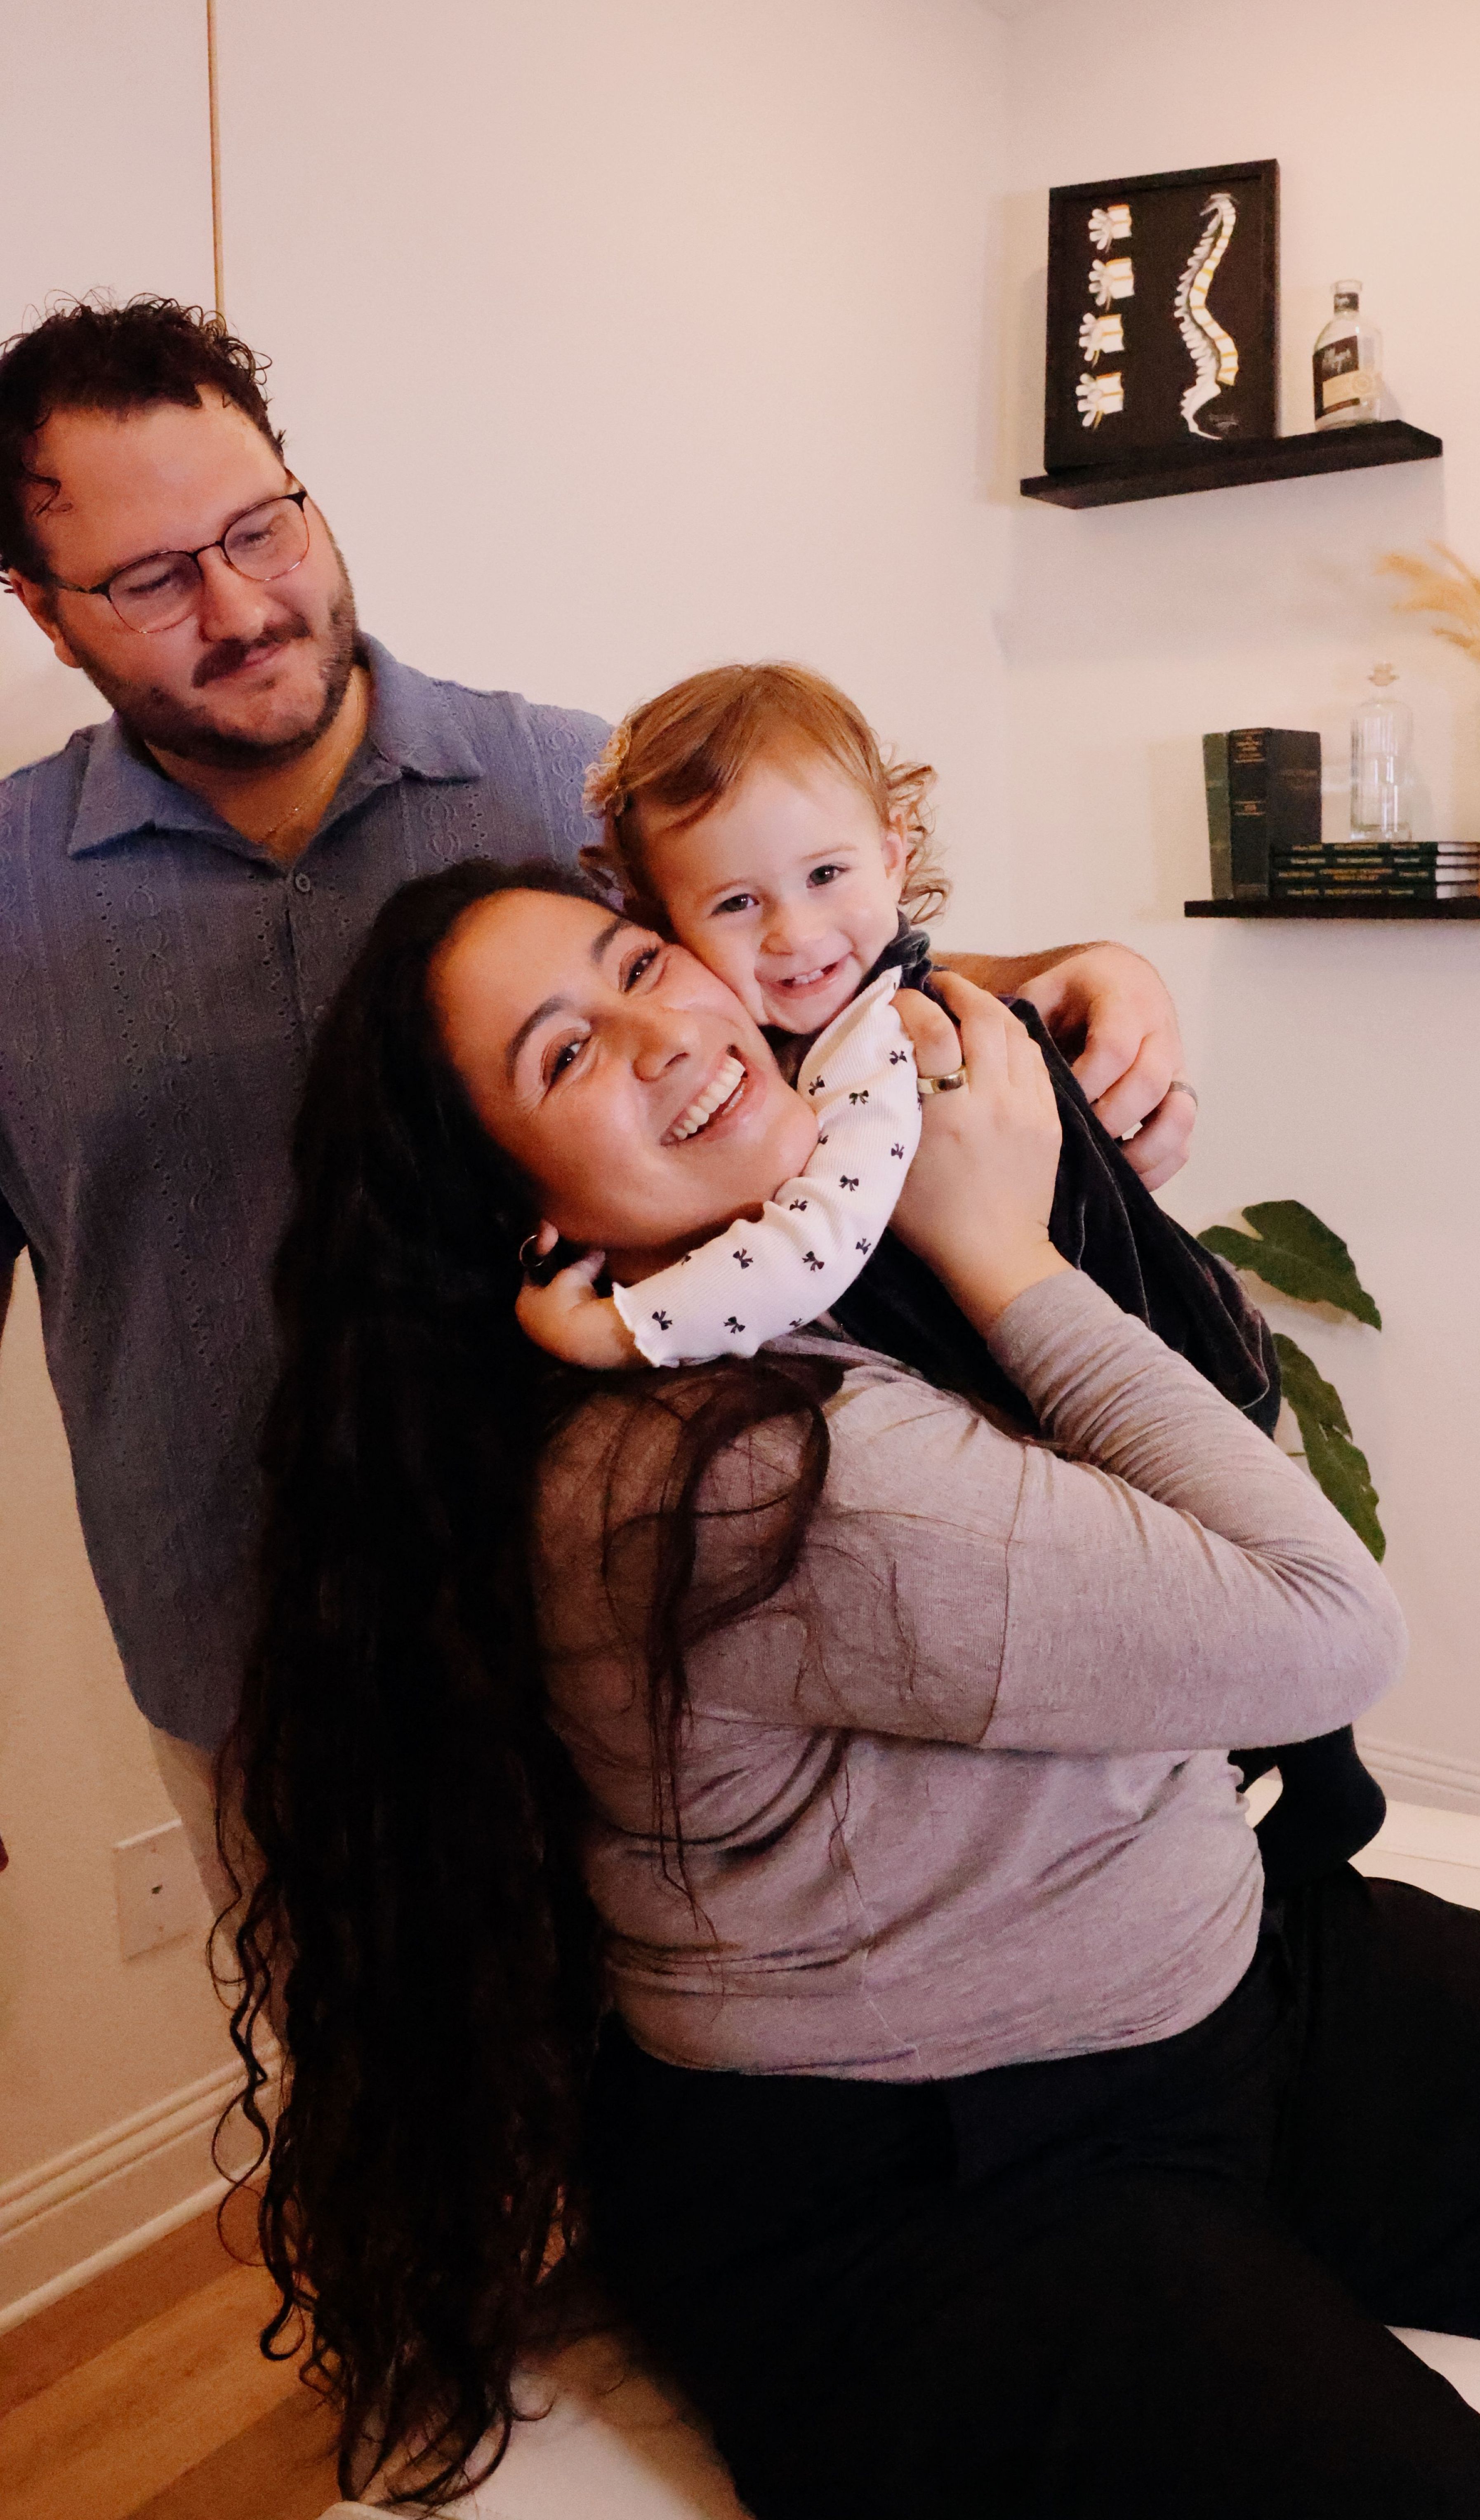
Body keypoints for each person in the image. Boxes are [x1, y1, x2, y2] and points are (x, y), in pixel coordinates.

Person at [229, 858, 1480, 2520]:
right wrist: (1004, 1249)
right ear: (531, 1216)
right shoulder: (725, 1476)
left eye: (643, 961)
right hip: (935, 2175)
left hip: (1209, 1993)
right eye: (562, 1054)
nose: (660, 1028)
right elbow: (1320, 1621)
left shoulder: (808, 1260)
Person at [0, 296, 1192, 1889]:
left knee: (680, 2110)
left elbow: (802, 983)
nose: (240, 603)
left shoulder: (572, 787)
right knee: (384, 2114)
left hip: (639, 1635)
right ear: (41, 610)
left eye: (261, 528)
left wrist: (1079, 970)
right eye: (151, 579)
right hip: (253, 1665)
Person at [524, 657, 1384, 1890]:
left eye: (825, 877)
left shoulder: (886, 1045)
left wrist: (625, 1328)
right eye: (735, 907)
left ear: (892, 849)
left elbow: (811, 1246)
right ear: (665, 918)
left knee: (1235, 1653)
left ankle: (1319, 1795)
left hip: (1152, 1355)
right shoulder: (801, 1038)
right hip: (1073, 1369)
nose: (798, 932)